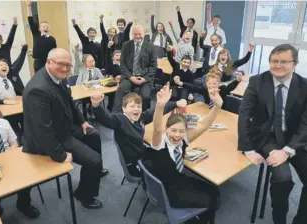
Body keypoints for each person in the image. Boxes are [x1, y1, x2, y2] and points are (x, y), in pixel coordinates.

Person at [22, 48, 108, 209]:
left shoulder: (58, 77)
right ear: (48, 62)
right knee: (94, 161)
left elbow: (70, 102)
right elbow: (42, 130)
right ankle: (84, 195)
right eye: (61, 64)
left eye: (68, 65)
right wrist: (60, 155)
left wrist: (82, 121)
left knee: (94, 135)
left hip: (64, 126)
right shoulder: (38, 90)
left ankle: (94, 173)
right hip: (52, 138)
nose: (65, 69)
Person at [238, 44, 307, 224]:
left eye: (284, 62)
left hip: (295, 139)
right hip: (267, 137)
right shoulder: (257, 81)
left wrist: (287, 150)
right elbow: (244, 114)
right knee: (283, 179)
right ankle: (279, 220)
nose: (278, 65)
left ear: (294, 63)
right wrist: (248, 150)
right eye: (274, 61)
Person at [144, 83, 222, 223]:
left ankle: (201, 218)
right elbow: (156, 128)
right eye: (173, 130)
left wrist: (217, 106)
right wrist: (160, 105)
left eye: (181, 131)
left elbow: (203, 125)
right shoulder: (159, 144)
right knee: (211, 201)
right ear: (166, 129)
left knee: (215, 192)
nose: (177, 135)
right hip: (169, 192)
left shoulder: (182, 140)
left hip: (180, 180)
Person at [91, 91, 186, 177]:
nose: (136, 109)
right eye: (132, 107)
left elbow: (155, 112)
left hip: (142, 154)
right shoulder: (120, 119)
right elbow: (107, 118)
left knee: (165, 152)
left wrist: (175, 103)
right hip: (135, 164)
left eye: (138, 106)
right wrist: (96, 105)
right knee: (165, 164)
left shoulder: (141, 117)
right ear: (124, 109)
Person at [112, 25, 157, 112]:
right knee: (120, 91)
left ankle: (143, 116)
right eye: (135, 34)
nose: (137, 36)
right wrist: (130, 77)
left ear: (143, 34)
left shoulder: (151, 47)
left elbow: (153, 66)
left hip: (144, 77)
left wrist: (145, 79)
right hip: (129, 76)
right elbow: (123, 65)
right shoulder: (126, 45)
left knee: (145, 96)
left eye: (139, 34)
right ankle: (116, 116)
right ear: (132, 34)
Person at [0, 43, 28, 141]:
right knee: (13, 127)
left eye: (6, 65)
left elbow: (19, 61)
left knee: (26, 119)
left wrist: (24, 49)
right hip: (4, 109)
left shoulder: (12, 77)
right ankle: (17, 138)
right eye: (1, 65)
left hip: (16, 105)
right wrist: (4, 101)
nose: (4, 66)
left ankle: (24, 138)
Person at [175, 70, 242, 109]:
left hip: (220, 112)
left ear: (218, 84)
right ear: (206, 83)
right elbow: (193, 87)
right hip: (208, 111)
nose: (211, 86)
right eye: (209, 83)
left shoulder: (222, 89)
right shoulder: (205, 90)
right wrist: (181, 83)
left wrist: (237, 81)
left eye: (214, 84)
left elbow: (229, 87)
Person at [25, 0, 57, 72]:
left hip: (49, 63)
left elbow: (54, 51)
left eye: (47, 27)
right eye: (43, 26)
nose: (45, 27)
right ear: (39, 29)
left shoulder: (52, 39)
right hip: (38, 64)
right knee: (39, 80)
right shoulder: (37, 34)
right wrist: (28, 6)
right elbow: (30, 20)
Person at [105, 44, 122, 111]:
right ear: (113, 57)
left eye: (120, 55)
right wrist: (109, 48)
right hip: (112, 85)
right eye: (117, 55)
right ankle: (111, 108)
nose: (119, 57)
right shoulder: (110, 65)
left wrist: (121, 76)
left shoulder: (124, 65)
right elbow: (107, 57)